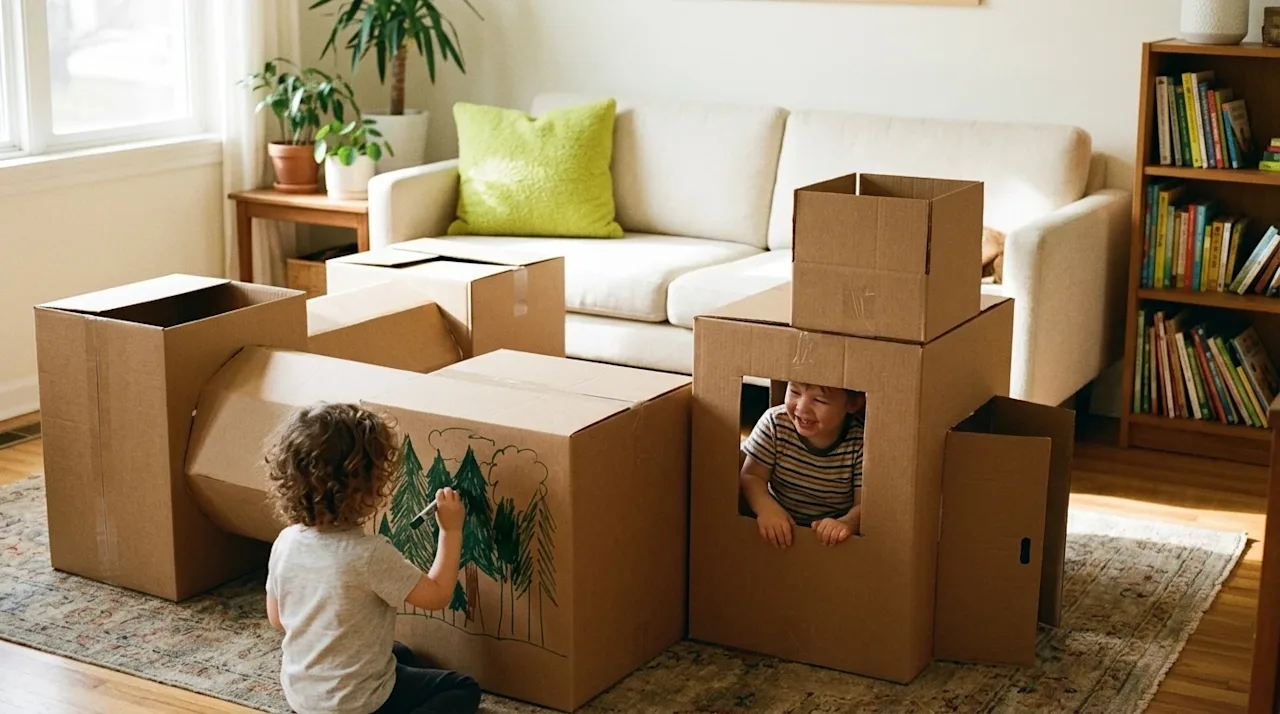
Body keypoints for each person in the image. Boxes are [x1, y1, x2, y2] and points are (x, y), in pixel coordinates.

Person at [262, 402, 481, 714]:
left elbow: (278, 618)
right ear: (364, 490)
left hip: (302, 697)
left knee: (400, 653)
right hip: (358, 704)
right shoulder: (368, 554)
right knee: (462, 688)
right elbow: (437, 594)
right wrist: (451, 530)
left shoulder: (286, 542)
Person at [739, 382, 866, 549]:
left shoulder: (860, 442)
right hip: (778, 523)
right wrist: (766, 509)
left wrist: (846, 523)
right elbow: (751, 476)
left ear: (853, 404)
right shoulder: (775, 423)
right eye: (795, 392)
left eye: (819, 400)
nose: (802, 408)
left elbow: (863, 504)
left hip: (829, 540)